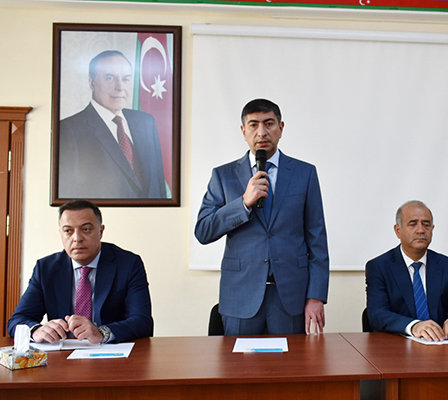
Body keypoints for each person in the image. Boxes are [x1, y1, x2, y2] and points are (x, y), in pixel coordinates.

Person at [194, 98, 329, 336]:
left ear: (281, 128)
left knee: (293, 361)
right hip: (240, 295)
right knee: (238, 361)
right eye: (254, 125)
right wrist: (243, 203)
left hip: (291, 297)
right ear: (243, 131)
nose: (262, 132)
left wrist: (316, 296)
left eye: (269, 123)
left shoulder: (305, 173)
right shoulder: (223, 175)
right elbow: (203, 231)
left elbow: (317, 239)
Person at [7, 200, 153, 344]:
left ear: (101, 231)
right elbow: (17, 320)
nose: (77, 238)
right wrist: (36, 330)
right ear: (61, 233)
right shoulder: (45, 268)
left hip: (111, 352)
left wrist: (102, 332)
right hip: (62, 352)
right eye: (68, 231)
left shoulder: (128, 264)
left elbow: (142, 322)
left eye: (86, 229)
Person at [59, 50, 167, 199]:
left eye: (126, 79)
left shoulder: (146, 122)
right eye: (110, 78)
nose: (120, 87)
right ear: (92, 82)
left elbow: (159, 186)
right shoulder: (69, 130)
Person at [365, 200, 448, 341]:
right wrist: (414, 326)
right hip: (398, 346)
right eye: (413, 224)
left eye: (426, 224)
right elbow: (377, 314)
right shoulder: (379, 267)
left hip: (440, 344)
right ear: (398, 231)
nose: (421, 230)